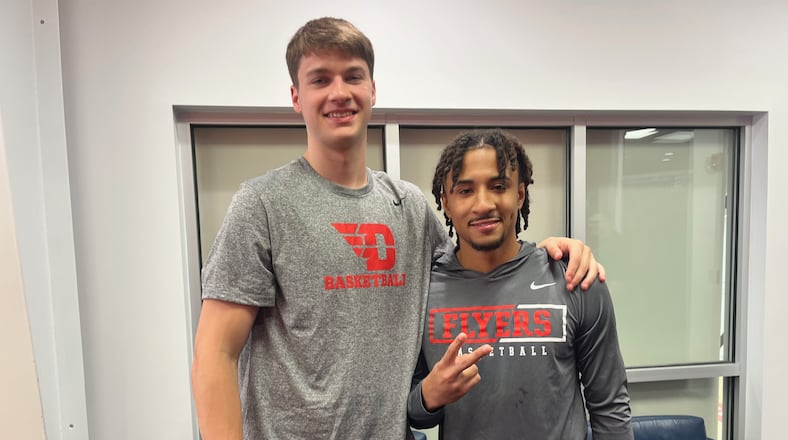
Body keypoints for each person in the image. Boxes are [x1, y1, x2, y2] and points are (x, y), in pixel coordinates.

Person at [190, 18, 603, 440]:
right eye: (320, 79)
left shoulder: (408, 208)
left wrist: (544, 256)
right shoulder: (262, 205)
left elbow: (477, 264)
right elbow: (215, 353)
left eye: (353, 76)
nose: (339, 92)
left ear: (372, 90)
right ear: (296, 96)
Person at [408, 128, 633, 439]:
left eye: (498, 186)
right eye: (465, 190)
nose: (483, 203)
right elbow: (412, 413)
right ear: (445, 202)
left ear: (520, 194)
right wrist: (428, 397)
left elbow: (610, 408)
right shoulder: (422, 293)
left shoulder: (573, 277)